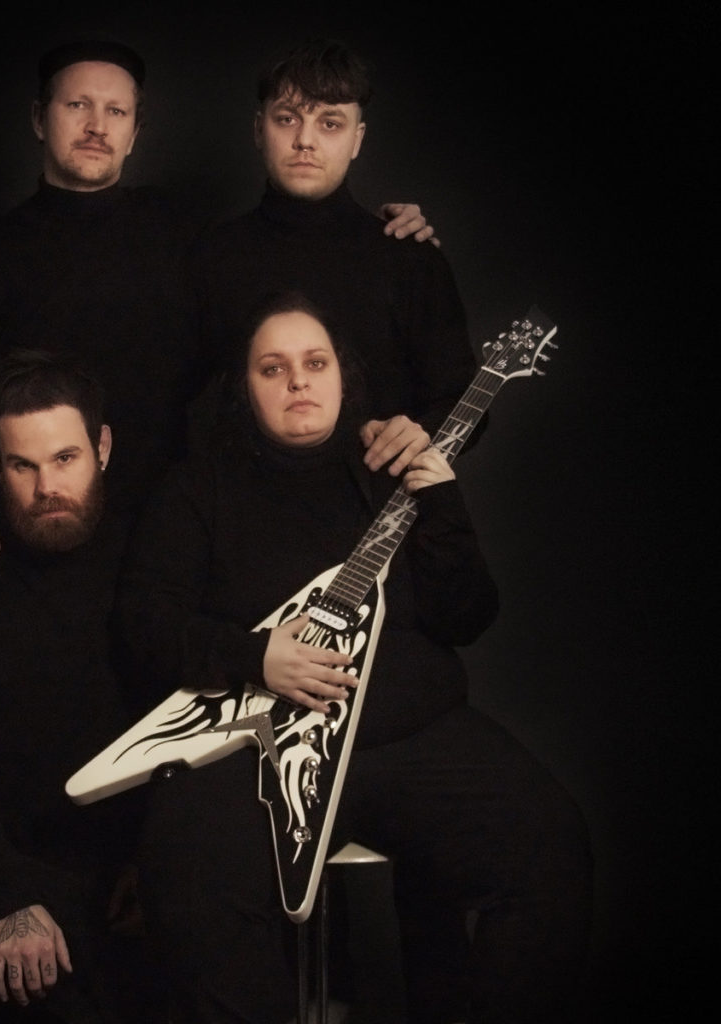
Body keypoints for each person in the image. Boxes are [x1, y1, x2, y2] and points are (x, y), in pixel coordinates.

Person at [113, 292, 594, 1024]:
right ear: (244, 387)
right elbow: (143, 626)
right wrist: (254, 656)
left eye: (316, 363)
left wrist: (443, 502)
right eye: (272, 368)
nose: (297, 381)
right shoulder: (195, 490)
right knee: (189, 877)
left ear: (344, 377)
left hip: (411, 740)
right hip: (258, 750)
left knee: (550, 849)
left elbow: (467, 617)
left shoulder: (391, 472)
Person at [0, 37, 437, 555]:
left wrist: (383, 234)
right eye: (77, 105)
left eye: (115, 111)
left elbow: (286, 286)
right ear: (38, 118)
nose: (97, 126)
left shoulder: (183, 231)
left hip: (169, 522)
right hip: (44, 517)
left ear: (135, 132)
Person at [0, 349, 164, 1022]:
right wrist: (7, 893)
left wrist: (157, 863)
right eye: (23, 465)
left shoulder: (150, 549)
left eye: (65, 458)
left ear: (102, 448)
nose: (47, 487)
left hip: (131, 869)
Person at [187, 37, 483, 473]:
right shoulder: (212, 255)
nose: (305, 140)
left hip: (379, 503)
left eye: (330, 123)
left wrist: (425, 431)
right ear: (259, 129)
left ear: (357, 139)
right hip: (242, 504)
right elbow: (177, 404)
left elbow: (464, 401)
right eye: (287, 119)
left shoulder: (408, 258)